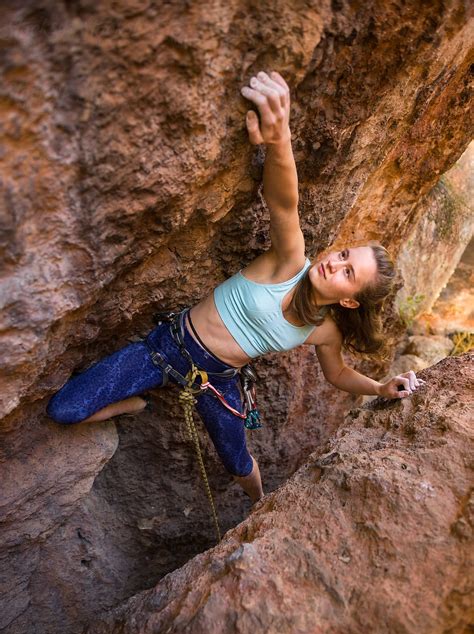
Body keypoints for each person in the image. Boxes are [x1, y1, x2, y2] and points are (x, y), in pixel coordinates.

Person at [46, 70, 424, 504]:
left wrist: (378, 388)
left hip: (216, 383)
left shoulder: (325, 330)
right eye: (343, 255)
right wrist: (280, 138)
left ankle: (260, 506)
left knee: (238, 462)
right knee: (66, 410)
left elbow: (336, 373)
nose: (334, 263)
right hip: (163, 348)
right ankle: (136, 403)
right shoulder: (289, 263)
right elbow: (284, 202)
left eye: (347, 272)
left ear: (349, 298)